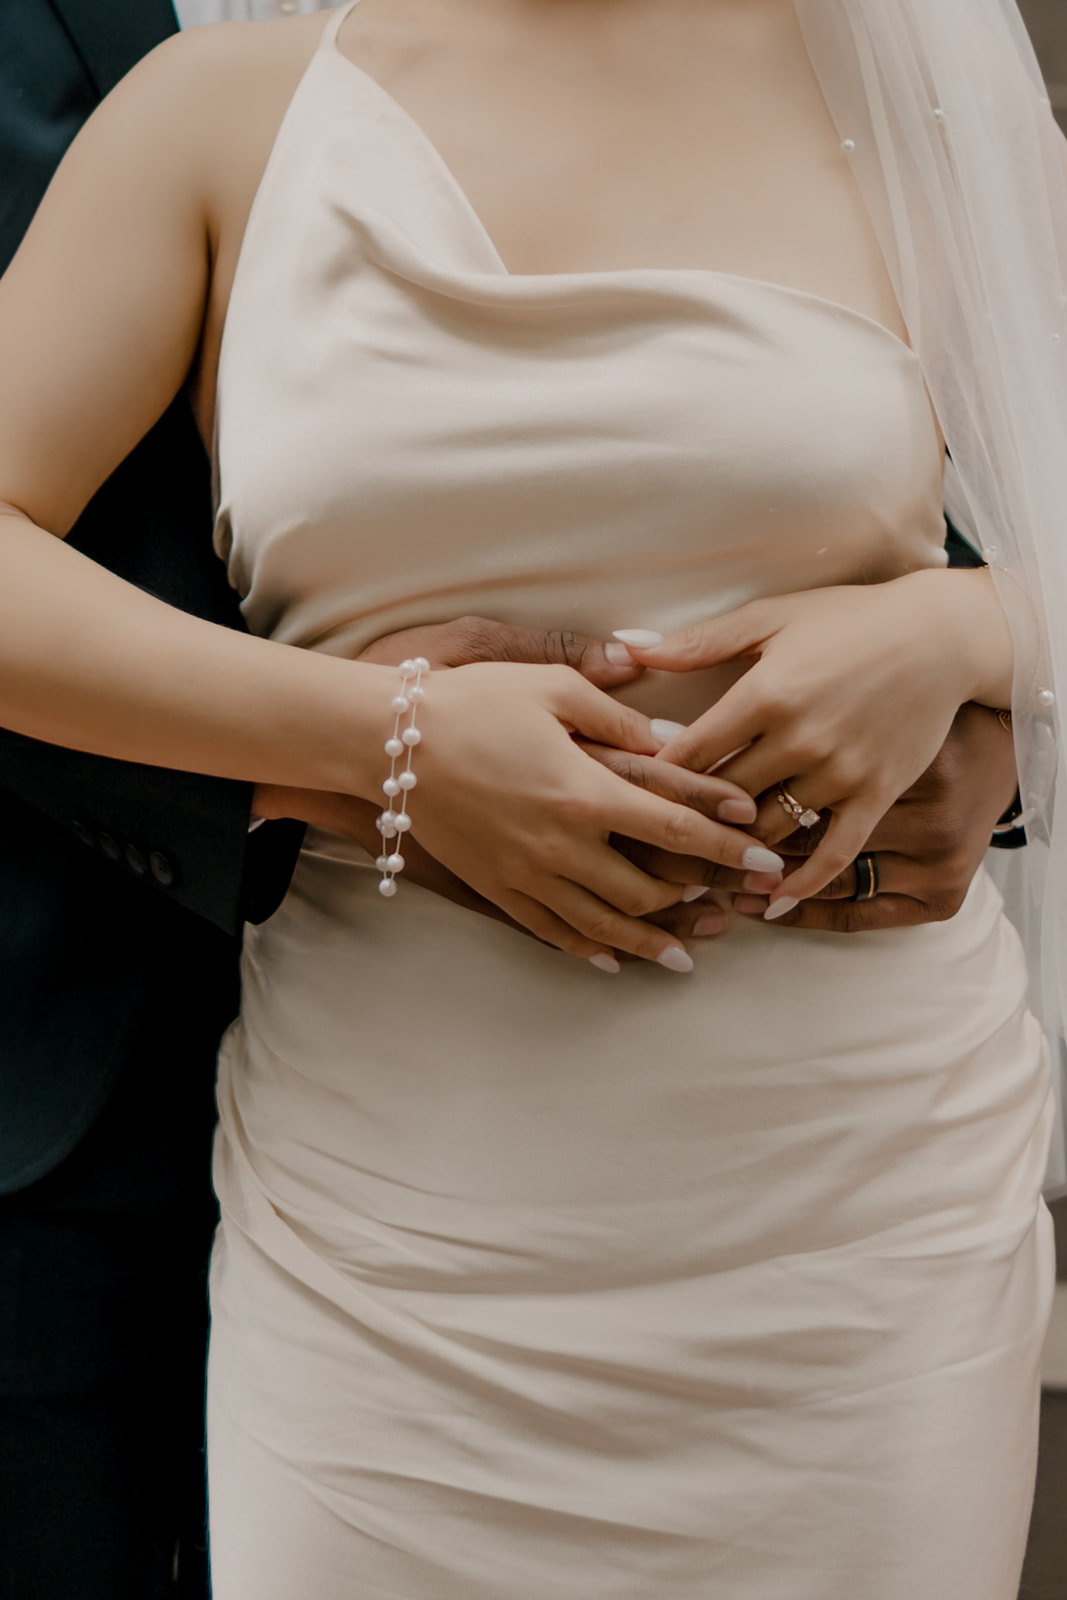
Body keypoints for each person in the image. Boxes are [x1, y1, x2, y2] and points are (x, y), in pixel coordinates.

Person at [0, 0, 1059, 1595]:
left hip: (853, 1225)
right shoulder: (220, 110)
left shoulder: (890, 106)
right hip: (396, 1235)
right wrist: (390, 736)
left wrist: (972, 626)